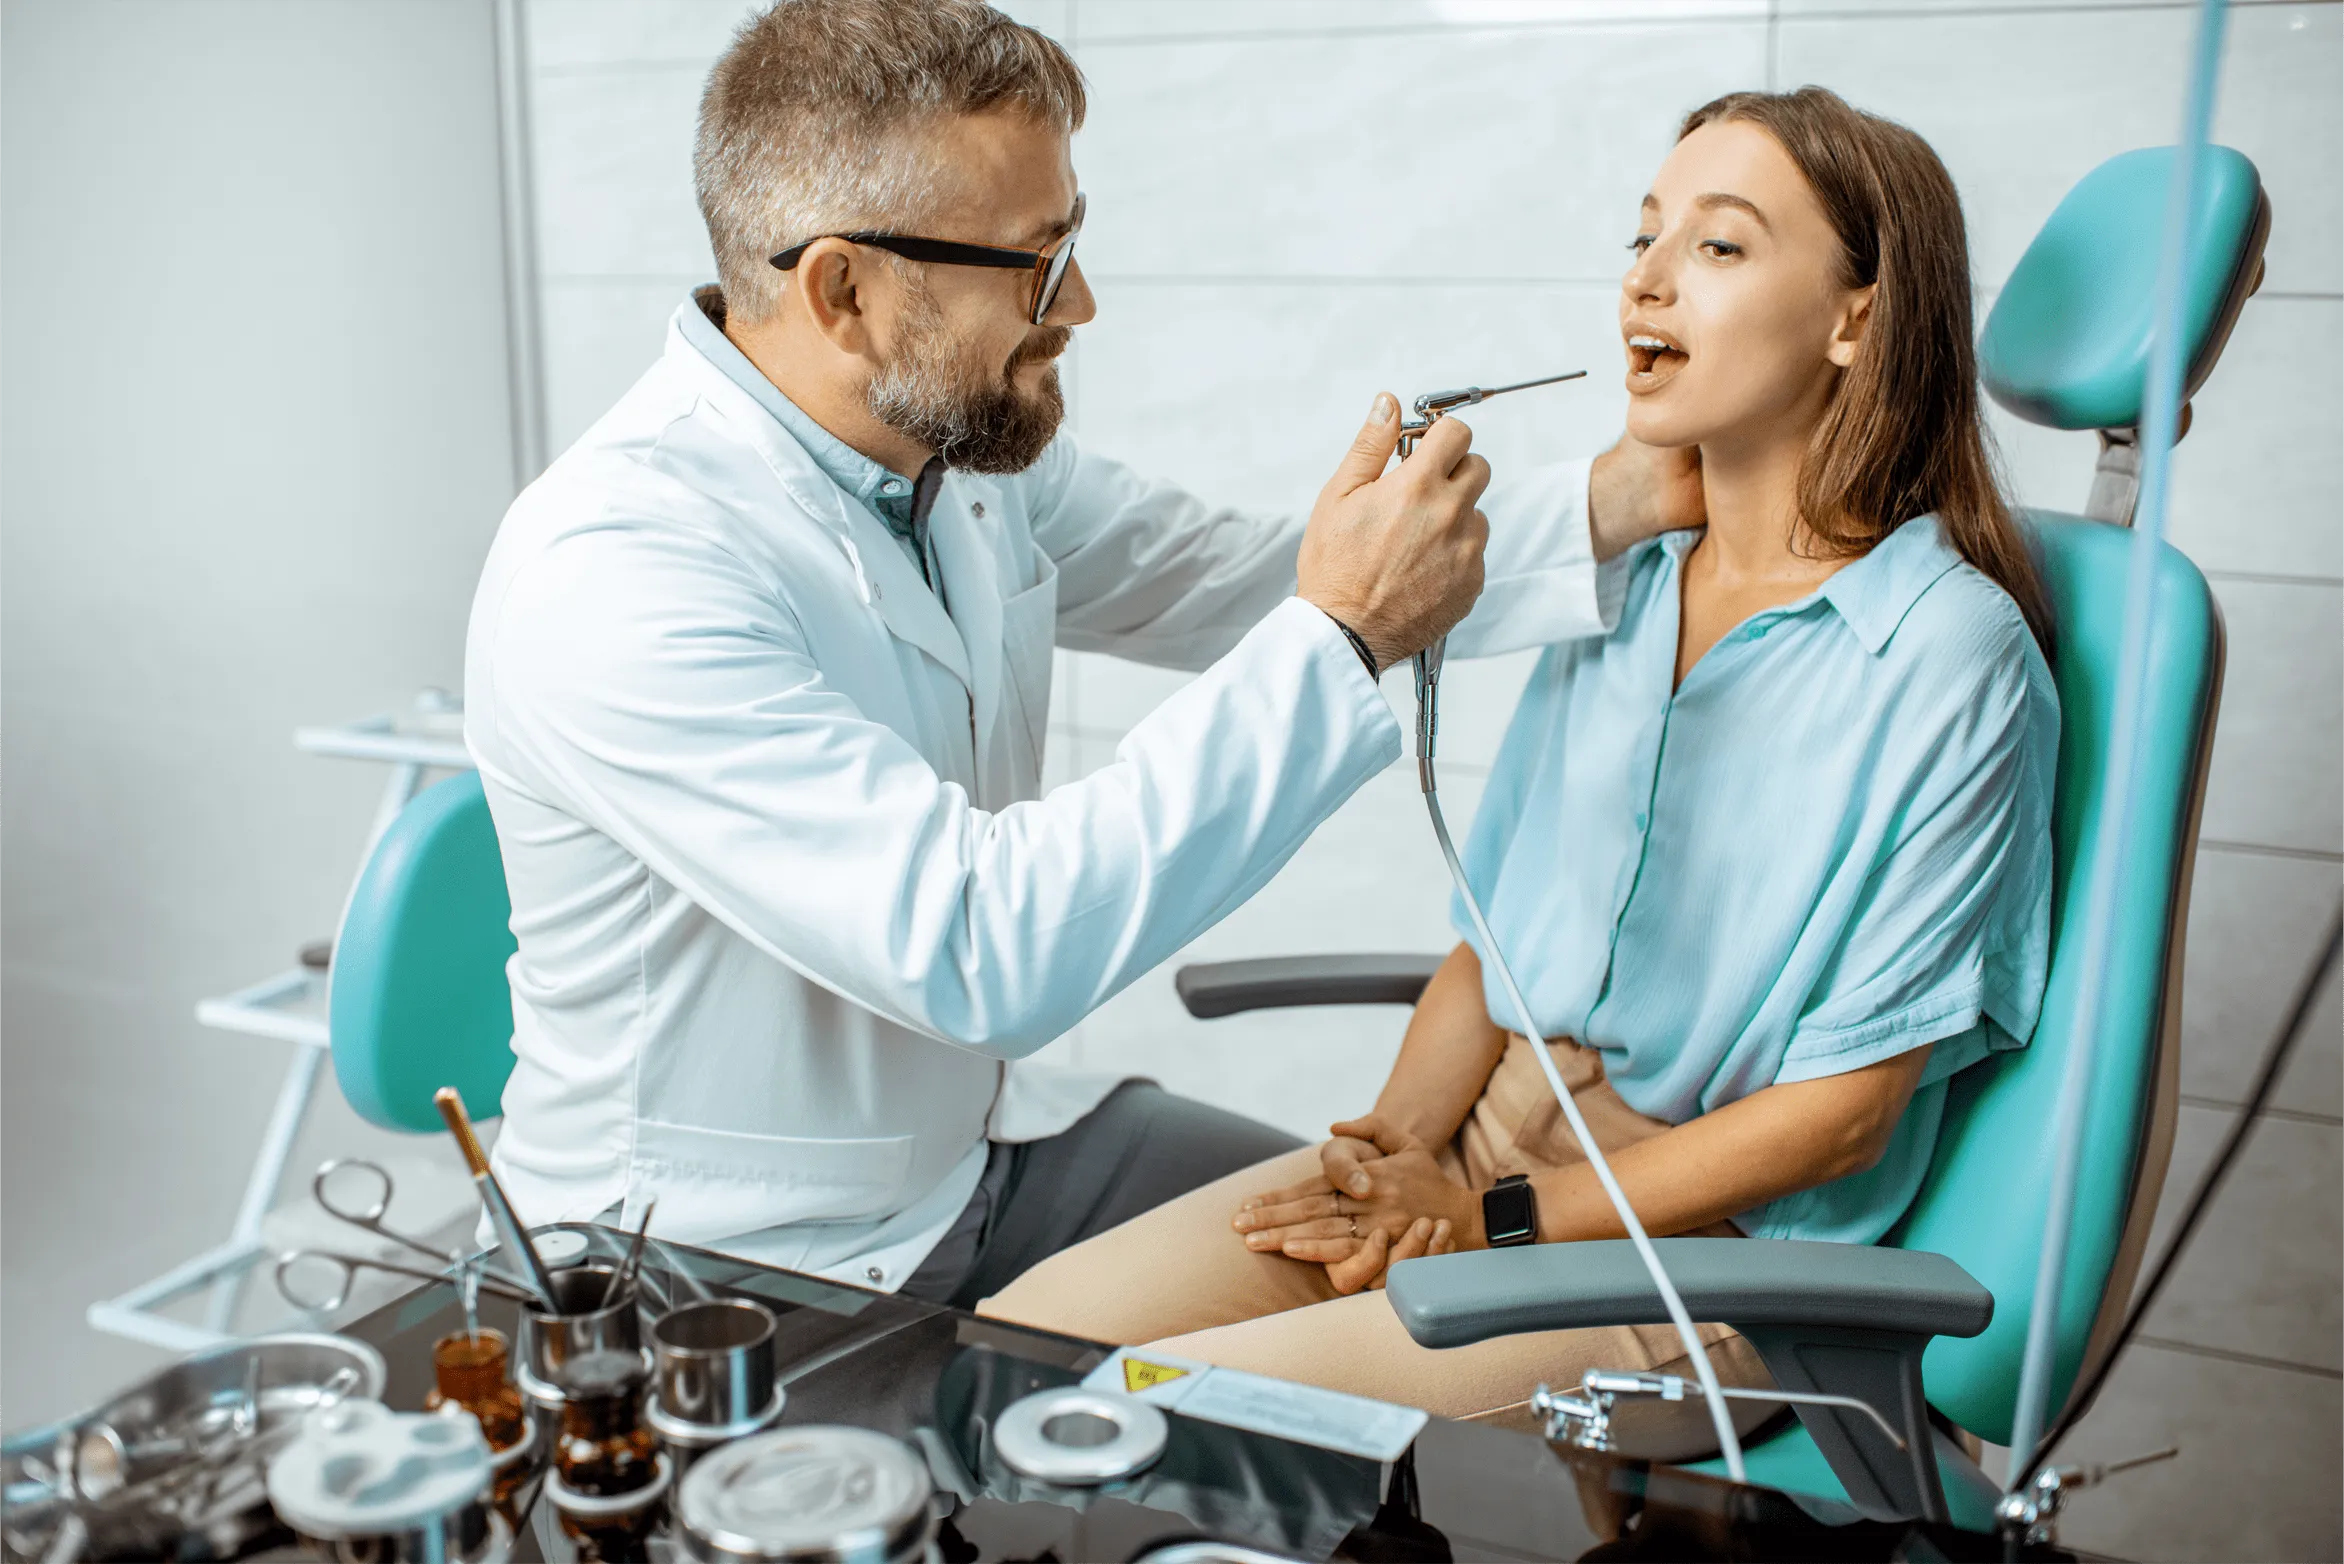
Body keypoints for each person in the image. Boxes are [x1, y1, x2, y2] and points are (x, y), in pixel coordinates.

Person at [464, 0, 1695, 1307]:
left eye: (1075, 243)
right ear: (845, 290)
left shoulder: (947, 457)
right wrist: (1342, 633)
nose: (1083, 303)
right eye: (1037, 265)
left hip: (971, 1154)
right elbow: (982, 944)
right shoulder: (617, 572)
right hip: (715, 1264)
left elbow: (1237, 576)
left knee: (1373, 1296)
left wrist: (1616, 501)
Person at [980, 86, 2061, 1445]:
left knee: (1176, 1419)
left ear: (1856, 315)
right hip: (1481, 1161)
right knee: (1024, 1351)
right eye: (1644, 236)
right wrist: (1393, 1153)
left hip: (1700, 1255)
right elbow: (1492, 952)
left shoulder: (1949, 658)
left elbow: (1841, 1120)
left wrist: (1490, 1220)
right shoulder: (1624, 586)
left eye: (1719, 248)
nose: (1646, 282)